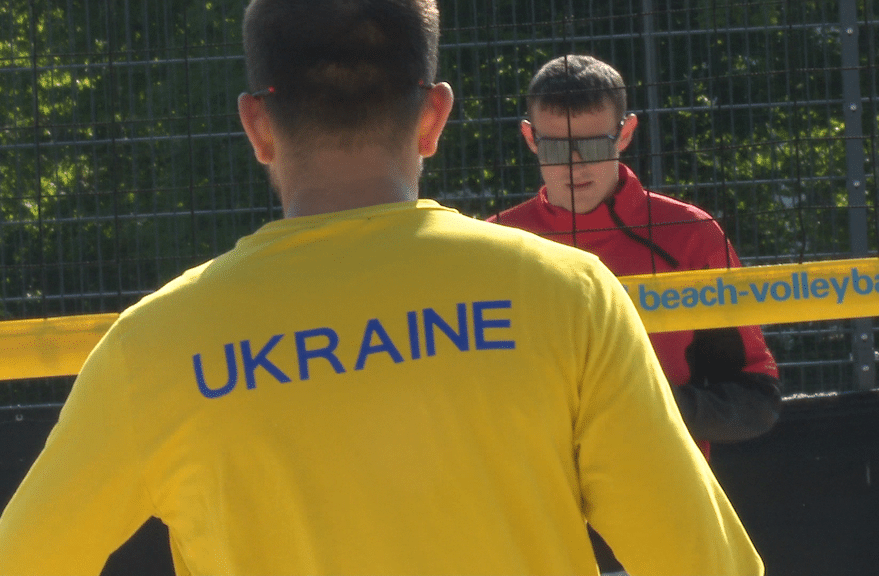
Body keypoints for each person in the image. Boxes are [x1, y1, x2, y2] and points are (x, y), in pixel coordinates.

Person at [0, 3, 762, 575]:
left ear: (257, 126)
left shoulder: (154, 345)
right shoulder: (565, 294)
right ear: (434, 117)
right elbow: (702, 561)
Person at [488, 54, 782, 573]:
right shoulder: (495, 245)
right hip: (536, 536)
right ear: (531, 139)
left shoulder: (690, 236)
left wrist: (637, 409)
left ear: (625, 134)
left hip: (661, 528)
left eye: (593, 145)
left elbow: (754, 399)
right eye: (557, 148)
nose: (575, 166)